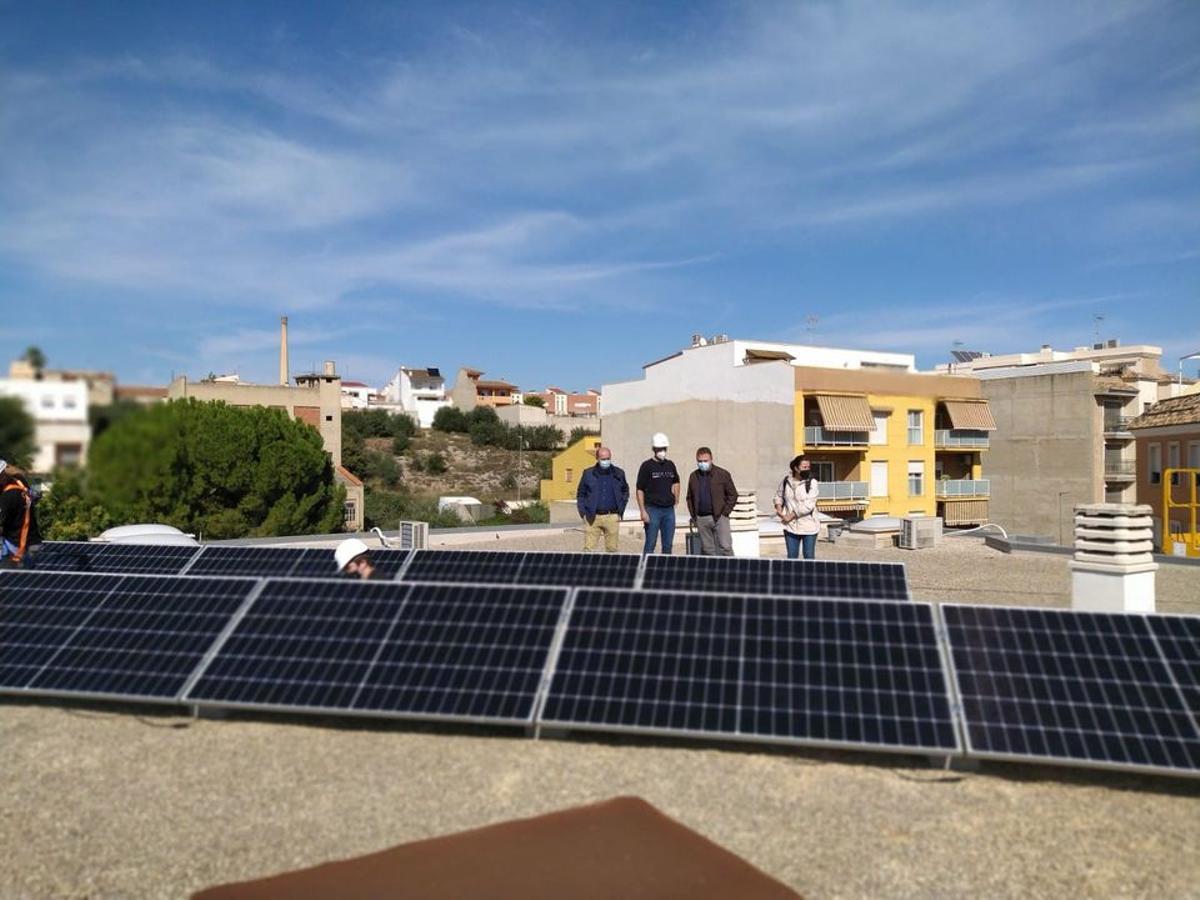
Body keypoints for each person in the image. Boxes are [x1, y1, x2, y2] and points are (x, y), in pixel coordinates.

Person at [575, 446, 629, 552]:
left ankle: (610, 569)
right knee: (589, 550)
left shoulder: (619, 473)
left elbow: (625, 491)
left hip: (612, 516)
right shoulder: (588, 474)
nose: (606, 461)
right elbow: (581, 494)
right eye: (603, 459)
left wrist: (621, 507)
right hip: (592, 517)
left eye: (608, 458)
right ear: (597, 458)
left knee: (612, 550)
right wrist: (583, 512)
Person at [685, 447, 738, 556]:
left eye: (705, 461)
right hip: (701, 519)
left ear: (711, 459)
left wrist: (724, 513)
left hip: (719, 517)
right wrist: (694, 516)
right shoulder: (693, 476)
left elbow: (733, 494)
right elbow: (689, 497)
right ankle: (712, 572)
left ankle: (731, 570)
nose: (702, 463)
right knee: (708, 550)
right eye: (700, 461)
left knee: (726, 547)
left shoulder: (722, 474)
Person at [636, 432, 680, 554]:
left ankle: (665, 570)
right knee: (650, 544)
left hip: (668, 510)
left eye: (664, 448)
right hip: (652, 510)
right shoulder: (646, 466)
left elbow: (676, 481)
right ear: (654, 449)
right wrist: (643, 511)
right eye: (660, 449)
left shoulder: (670, 465)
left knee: (668, 545)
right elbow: (639, 489)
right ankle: (646, 570)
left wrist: (676, 499)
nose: (662, 451)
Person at [773, 455, 820, 559]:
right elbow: (779, 495)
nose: (807, 469)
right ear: (796, 468)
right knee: (792, 557)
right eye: (804, 467)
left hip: (809, 526)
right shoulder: (786, 481)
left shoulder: (812, 483)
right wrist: (779, 507)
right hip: (790, 526)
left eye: (808, 467)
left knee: (808, 556)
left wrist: (790, 515)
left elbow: (809, 505)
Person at [0, 459, 42, 568]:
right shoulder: (21, 484)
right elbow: (35, 498)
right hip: (33, 543)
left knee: (9, 582)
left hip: (18, 548)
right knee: (25, 582)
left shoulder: (8, 497)